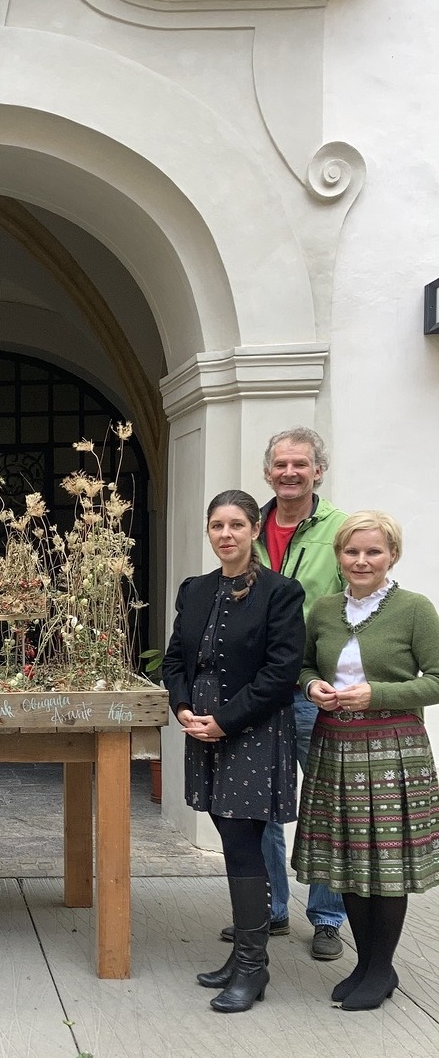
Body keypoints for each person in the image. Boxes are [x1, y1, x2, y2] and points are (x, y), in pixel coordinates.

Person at [162, 491, 305, 1012]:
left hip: (252, 728)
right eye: (217, 525)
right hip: (202, 728)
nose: (226, 534)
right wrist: (182, 707)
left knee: (244, 841)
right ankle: (246, 954)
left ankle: (252, 967)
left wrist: (225, 720)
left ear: (254, 529)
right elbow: (175, 659)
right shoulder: (195, 589)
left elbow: (281, 672)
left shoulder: (280, 592)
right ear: (209, 531)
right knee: (229, 835)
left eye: (237, 525)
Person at [293, 512, 439, 1010]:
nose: (361, 560)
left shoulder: (415, 609)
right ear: (339, 556)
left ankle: (381, 968)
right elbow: (304, 665)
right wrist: (312, 686)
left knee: (386, 860)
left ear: (391, 555)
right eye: (351, 551)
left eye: (373, 551)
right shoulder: (324, 609)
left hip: (393, 749)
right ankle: (364, 964)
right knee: (349, 858)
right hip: (334, 745)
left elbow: (437, 679)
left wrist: (378, 694)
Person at [228, 427, 348, 959]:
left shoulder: (340, 528)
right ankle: (271, 909)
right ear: (267, 472)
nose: (290, 472)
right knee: (262, 801)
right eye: (280, 464)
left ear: (318, 470)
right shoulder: (250, 527)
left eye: (300, 464)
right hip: (257, 688)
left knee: (325, 800)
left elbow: (354, 603)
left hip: (311, 687)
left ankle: (327, 916)